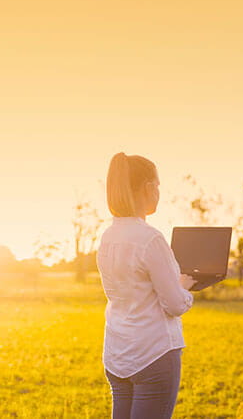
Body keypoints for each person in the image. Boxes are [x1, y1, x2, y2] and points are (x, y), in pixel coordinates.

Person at [97, 152, 196, 419]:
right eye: (159, 186)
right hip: (154, 354)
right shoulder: (150, 239)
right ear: (149, 188)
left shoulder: (107, 237)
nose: (159, 192)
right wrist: (185, 287)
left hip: (118, 353)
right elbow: (174, 304)